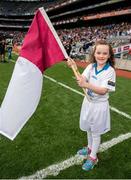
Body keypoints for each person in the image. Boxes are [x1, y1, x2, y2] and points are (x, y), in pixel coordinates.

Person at [67, 40, 116, 171]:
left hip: (99, 106)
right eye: (98, 52)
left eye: (105, 53)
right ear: (94, 54)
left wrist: (86, 85)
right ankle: (89, 148)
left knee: (95, 132)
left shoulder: (110, 71)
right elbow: (82, 79)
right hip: (88, 102)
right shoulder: (90, 67)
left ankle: (93, 157)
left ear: (109, 55)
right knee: (88, 128)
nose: (101, 55)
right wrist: (74, 67)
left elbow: (103, 90)